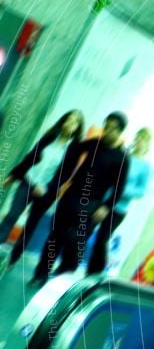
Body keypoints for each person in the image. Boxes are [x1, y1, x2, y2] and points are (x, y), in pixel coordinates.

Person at [29, 112, 130, 287]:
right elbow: (73, 146)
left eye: (113, 128)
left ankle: (62, 277)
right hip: (71, 196)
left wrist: (106, 207)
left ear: (120, 132)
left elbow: (119, 189)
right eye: (106, 126)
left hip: (92, 204)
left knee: (75, 240)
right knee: (55, 236)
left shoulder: (122, 158)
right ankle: (41, 274)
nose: (108, 131)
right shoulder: (92, 144)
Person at [0, 110, 84, 270]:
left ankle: (12, 259)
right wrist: (13, 175)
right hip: (28, 181)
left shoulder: (74, 149)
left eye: (74, 122)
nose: (70, 124)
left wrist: (46, 188)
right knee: (12, 215)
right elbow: (30, 157)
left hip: (46, 193)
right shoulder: (49, 137)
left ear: (77, 128)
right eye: (68, 120)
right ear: (63, 121)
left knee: (30, 226)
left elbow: (65, 176)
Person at [86, 127, 152, 275]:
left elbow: (141, 191)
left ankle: (93, 276)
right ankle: (68, 265)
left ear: (148, 145)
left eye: (143, 139)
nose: (138, 141)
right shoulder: (122, 155)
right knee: (83, 231)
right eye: (137, 137)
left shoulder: (145, 167)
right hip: (102, 202)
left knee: (101, 241)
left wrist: (121, 189)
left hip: (119, 209)